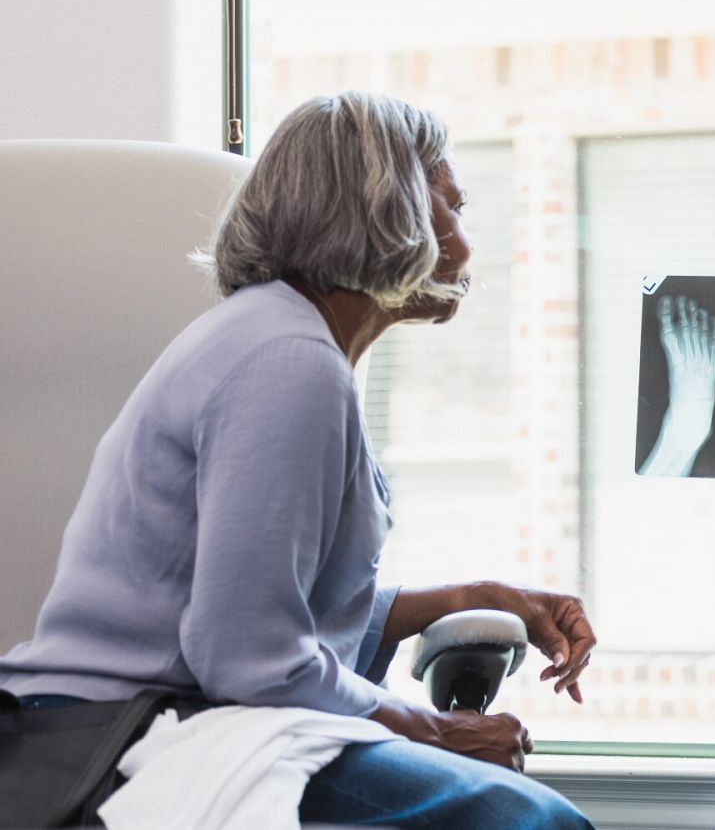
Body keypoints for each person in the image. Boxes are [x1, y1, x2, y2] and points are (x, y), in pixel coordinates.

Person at [0, 91, 595, 829]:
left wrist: (469, 596)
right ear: (389, 212)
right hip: (135, 739)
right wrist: (439, 733)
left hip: (179, 717)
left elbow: (277, 616)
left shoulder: (282, 342)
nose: (467, 245)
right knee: (533, 822)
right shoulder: (290, 362)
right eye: (453, 206)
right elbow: (248, 659)